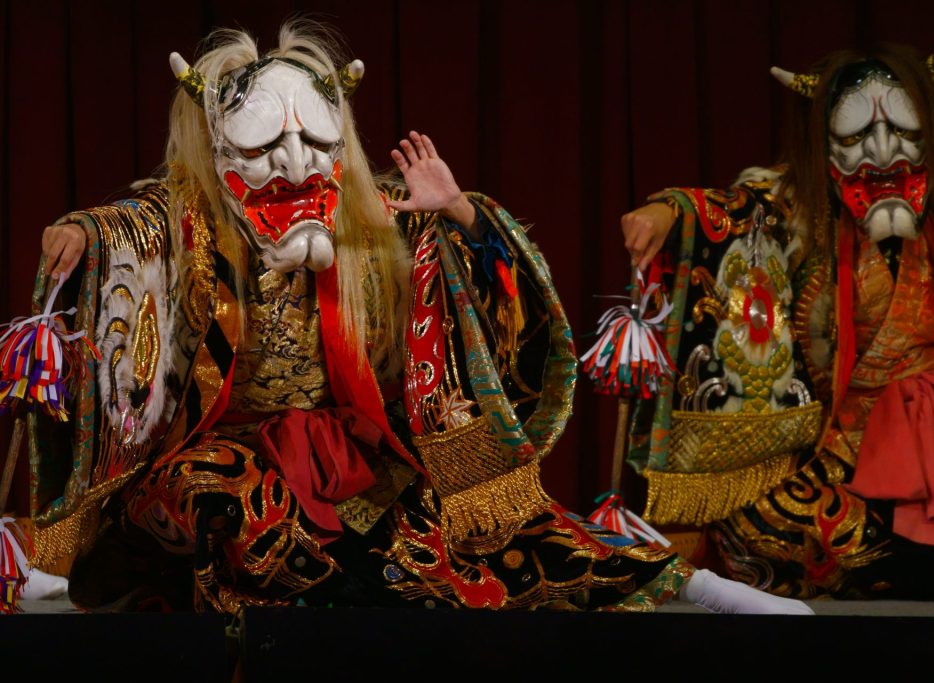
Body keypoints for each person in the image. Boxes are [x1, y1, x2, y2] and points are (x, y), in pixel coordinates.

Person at [18, 20, 810, 615]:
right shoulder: (191, 222)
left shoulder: (378, 222)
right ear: (218, 154)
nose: (294, 163)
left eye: (315, 144)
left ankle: (684, 584)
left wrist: (459, 212)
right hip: (231, 454)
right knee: (223, 500)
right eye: (264, 151)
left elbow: (500, 313)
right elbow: (138, 222)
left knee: (487, 536)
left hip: (353, 455)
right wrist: (86, 231)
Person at [621, 31, 934, 599]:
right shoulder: (801, 202)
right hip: (854, 442)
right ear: (826, 143)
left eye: (904, 132)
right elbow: (741, 209)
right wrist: (672, 210)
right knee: (763, 530)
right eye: (856, 136)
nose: (883, 153)